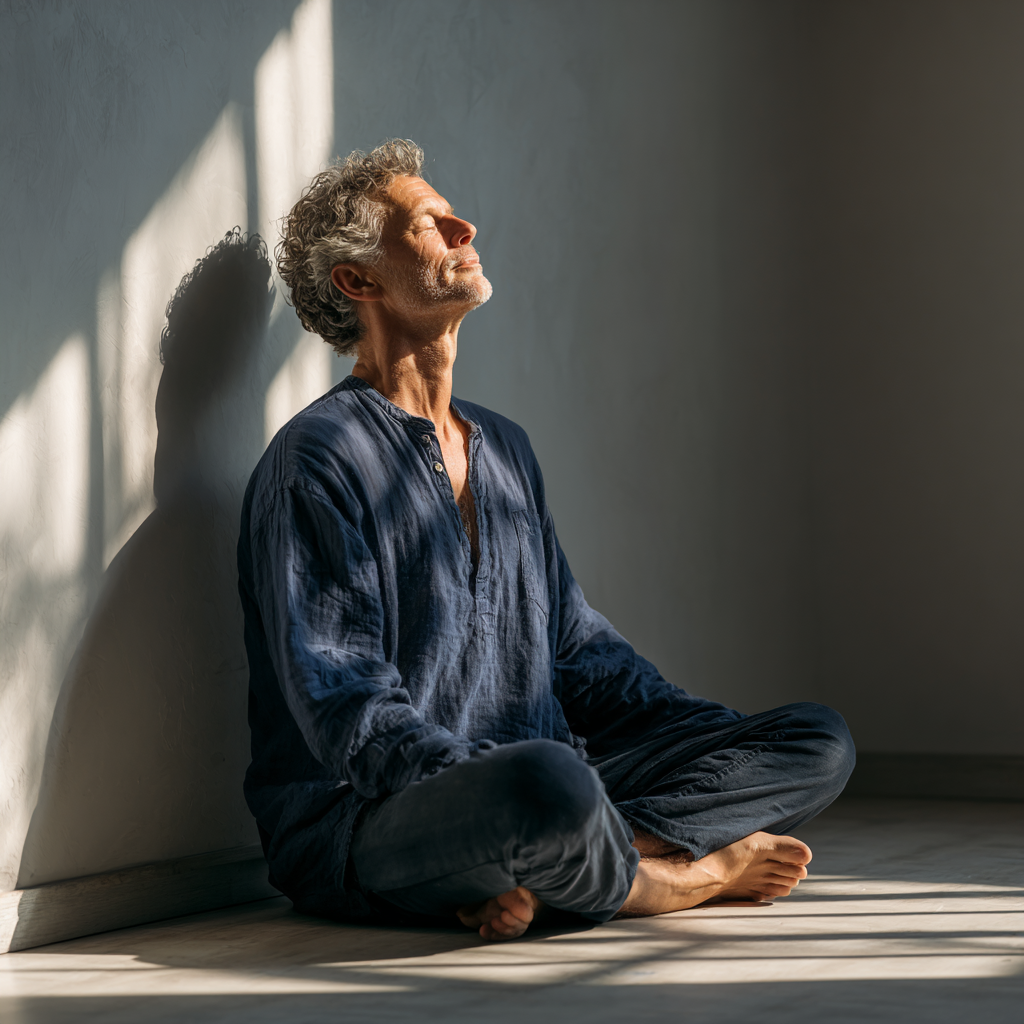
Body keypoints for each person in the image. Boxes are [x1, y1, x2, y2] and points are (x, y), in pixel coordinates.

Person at [237, 139, 855, 942]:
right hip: (372, 817)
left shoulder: (506, 447)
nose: (466, 228)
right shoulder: (315, 460)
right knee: (545, 785)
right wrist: (493, 788)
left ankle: (547, 868)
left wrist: (709, 741)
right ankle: (665, 880)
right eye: (431, 223)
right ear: (359, 282)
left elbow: (579, 652)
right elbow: (348, 712)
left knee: (818, 739)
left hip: (546, 782)